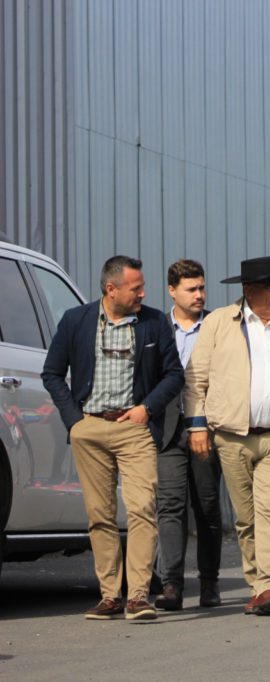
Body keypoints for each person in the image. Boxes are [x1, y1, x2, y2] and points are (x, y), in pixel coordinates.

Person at [41, 255, 184, 621]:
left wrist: (146, 409)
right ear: (111, 289)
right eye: (136, 288)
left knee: (142, 508)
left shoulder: (153, 323)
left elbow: (174, 375)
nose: (143, 293)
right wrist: (74, 421)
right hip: (89, 428)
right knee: (99, 514)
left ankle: (137, 596)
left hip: (134, 428)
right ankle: (109, 596)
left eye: (142, 287)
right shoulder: (76, 321)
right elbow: (52, 373)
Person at [184, 256, 270, 616]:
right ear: (249, 290)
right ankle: (258, 584)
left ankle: (269, 584)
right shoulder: (218, 323)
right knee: (246, 518)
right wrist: (197, 425)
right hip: (232, 437)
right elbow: (196, 379)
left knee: (269, 509)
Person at [154, 259, 223, 611]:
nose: (199, 295)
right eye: (191, 289)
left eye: (201, 288)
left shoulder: (216, 326)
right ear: (172, 291)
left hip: (206, 428)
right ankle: (171, 585)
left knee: (207, 505)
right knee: (170, 506)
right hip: (167, 429)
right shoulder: (157, 327)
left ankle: (209, 582)